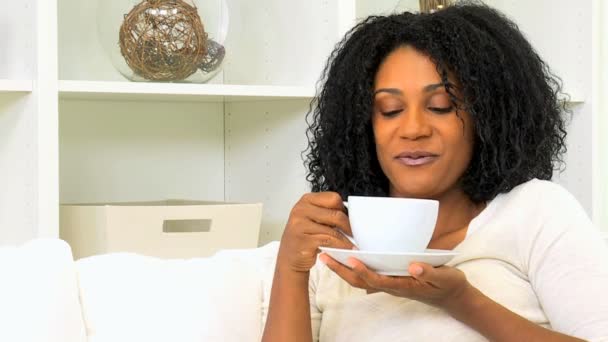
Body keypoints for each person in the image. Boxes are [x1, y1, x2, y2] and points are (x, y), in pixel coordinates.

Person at [262, 2, 608, 342]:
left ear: (486, 118)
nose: (413, 129)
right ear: (364, 126)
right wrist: (291, 268)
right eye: (391, 110)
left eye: (441, 107)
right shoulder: (333, 246)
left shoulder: (536, 212)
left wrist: (461, 301)